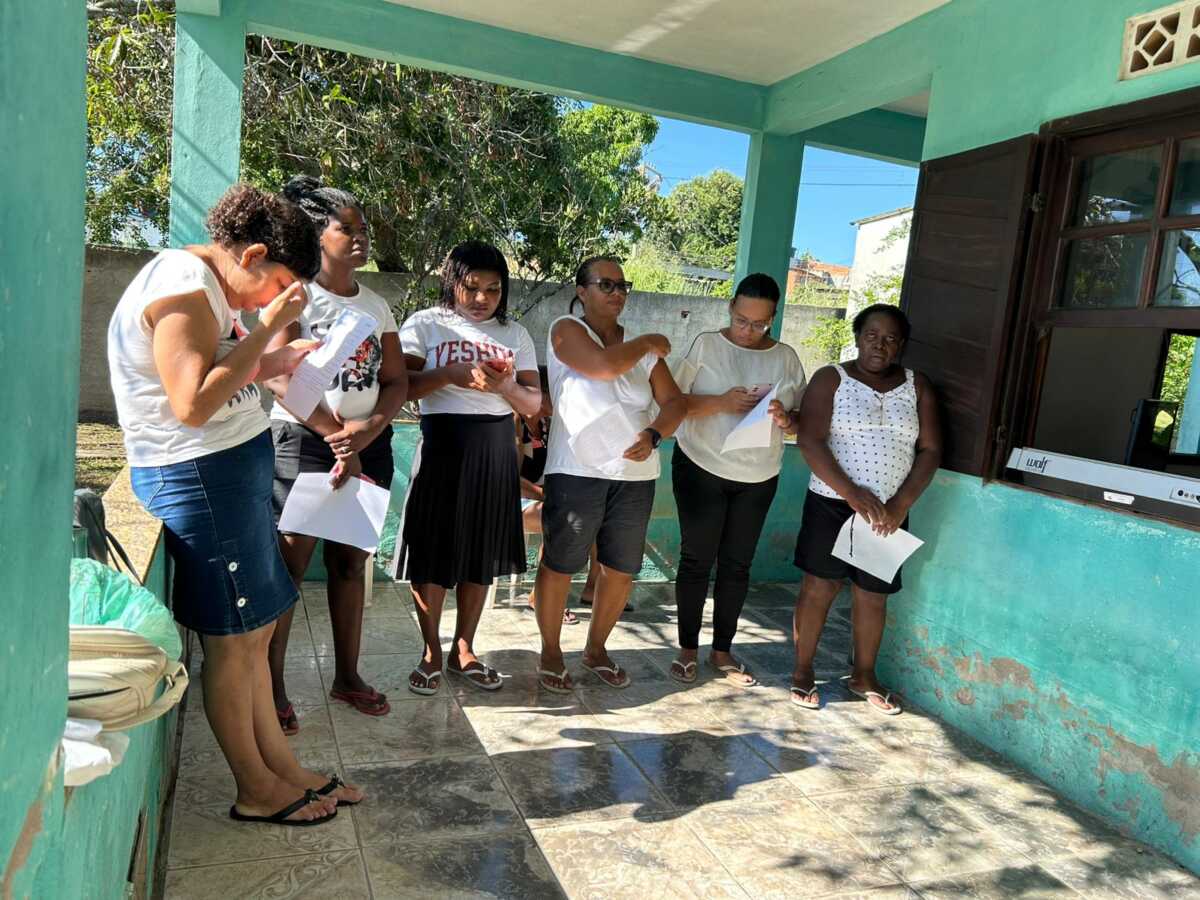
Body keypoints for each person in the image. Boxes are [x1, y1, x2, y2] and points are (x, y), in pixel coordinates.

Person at [107, 184, 361, 825]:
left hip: (228, 477)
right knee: (233, 641)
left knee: (256, 633)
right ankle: (255, 788)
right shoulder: (183, 287)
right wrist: (268, 330)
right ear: (252, 256)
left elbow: (222, 373)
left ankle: (282, 769)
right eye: (277, 285)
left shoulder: (210, 293)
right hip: (198, 478)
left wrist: (275, 357)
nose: (273, 301)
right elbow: (192, 403)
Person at [263, 176, 408, 730]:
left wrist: (366, 432)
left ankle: (347, 676)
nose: (360, 236)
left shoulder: (377, 306)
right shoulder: (295, 296)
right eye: (346, 228)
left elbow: (395, 381)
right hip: (303, 443)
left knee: (350, 564)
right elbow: (279, 377)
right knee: (290, 567)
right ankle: (272, 687)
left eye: (363, 227)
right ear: (315, 234)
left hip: (367, 447)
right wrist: (335, 435)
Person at [771, 303, 941, 715]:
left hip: (888, 512)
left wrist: (900, 504)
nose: (879, 345)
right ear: (858, 337)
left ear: (901, 345)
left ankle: (864, 675)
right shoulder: (832, 378)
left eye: (890, 339)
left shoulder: (917, 385)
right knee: (820, 587)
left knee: (873, 595)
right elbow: (810, 440)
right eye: (872, 336)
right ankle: (803, 670)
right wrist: (851, 493)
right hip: (832, 502)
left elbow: (931, 450)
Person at [534, 257, 686, 692]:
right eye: (607, 284)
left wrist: (655, 434)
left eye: (623, 285)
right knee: (560, 564)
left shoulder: (644, 352)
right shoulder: (565, 329)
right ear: (582, 291)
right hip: (576, 471)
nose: (618, 292)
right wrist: (648, 341)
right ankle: (551, 652)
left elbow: (676, 403)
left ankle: (596, 649)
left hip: (635, 475)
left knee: (620, 569)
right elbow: (602, 366)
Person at [397, 241, 542, 695]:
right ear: (451, 282)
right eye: (471, 287)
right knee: (430, 552)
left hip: (495, 448)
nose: (482, 298)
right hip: (442, 443)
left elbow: (533, 403)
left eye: (493, 289)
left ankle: (464, 650)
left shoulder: (515, 334)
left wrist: (505, 388)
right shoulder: (426, 323)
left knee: (481, 553)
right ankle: (430, 652)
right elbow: (401, 387)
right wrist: (450, 375)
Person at [669, 273, 806, 688]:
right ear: (730, 307)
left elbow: (802, 421)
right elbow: (673, 402)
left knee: (737, 564)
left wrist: (785, 419)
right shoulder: (707, 345)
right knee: (697, 559)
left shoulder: (786, 358)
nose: (747, 331)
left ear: (773, 318)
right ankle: (687, 649)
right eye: (742, 320)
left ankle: (722, 651)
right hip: (700, 465)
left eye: (759, 324)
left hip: (758, 475)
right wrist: (721, 402)